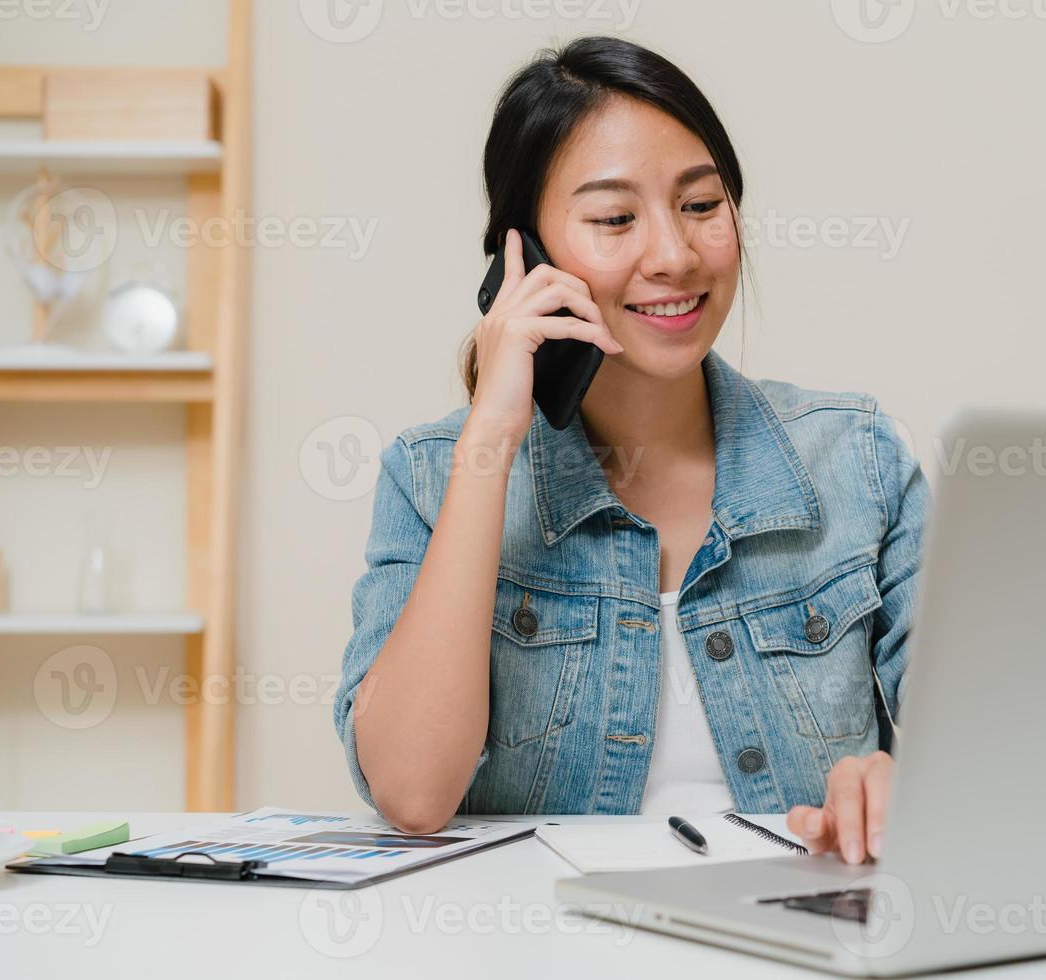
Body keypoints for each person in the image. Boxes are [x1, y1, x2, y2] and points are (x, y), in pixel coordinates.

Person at [334, 35, 926, 866]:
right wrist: (495, 435)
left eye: (701, 205)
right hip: (536, 941)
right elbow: (412, 791)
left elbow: (997, 750)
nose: (675, 256)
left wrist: (916, 785)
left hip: (801, 936)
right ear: (523, 257)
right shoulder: (432, 475)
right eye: (615, 219)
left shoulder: (857, 456)